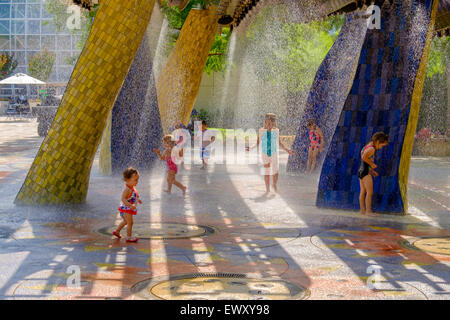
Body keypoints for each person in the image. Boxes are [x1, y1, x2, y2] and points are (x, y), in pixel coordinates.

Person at [247, 113, 294, 194]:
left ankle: (274, 184)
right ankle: (267, 189)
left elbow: (280, 143)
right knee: (267, 172)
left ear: (273, 123)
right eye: (268, 122)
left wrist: (287, 150)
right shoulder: (261, 130)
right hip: (265, 153)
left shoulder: (276, 130)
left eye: (271, 122)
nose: (270, 124)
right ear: (265, 121)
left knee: (275, 172)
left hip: (274, 153)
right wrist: (251, 148)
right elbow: (257, 143)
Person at [358, 132, 389, 216]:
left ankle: (362, 210)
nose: (381, 148)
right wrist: (372, 165)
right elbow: (364, 157)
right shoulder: (372, 149)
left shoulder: (366, 146)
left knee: (363, 191)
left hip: (361, 171)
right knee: (369, 192)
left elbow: (364, 161)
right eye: (382, 146)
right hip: (365, 172)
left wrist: (372, 171)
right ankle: (368, 211)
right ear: (378, 142)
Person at [113, 167, 142, 242]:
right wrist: (129, 205)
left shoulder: (132, 187)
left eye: (137, 179)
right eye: (135, 180)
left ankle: (117, 232)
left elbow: (133, 196)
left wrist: (137, 200)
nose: (137, 181)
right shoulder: (127, 190)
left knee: (125, 222)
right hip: (126, 209)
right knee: (130, 223)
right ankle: (128, 237)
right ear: (128, 180)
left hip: (126, 209)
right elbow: (123, 199)